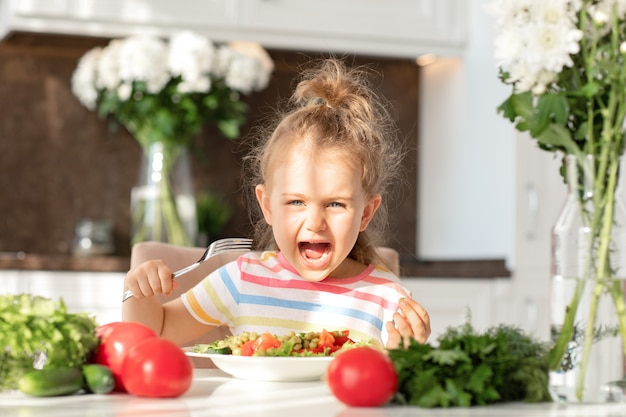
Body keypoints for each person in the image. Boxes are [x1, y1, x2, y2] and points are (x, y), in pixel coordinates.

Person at [122, 58, 431, 350]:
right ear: (267, 205)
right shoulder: (242, 279)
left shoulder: (387, 298)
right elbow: (154, 333)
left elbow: (398, 386)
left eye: (335, 204)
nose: (315, 222)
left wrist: (407, 353)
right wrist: (139, 292)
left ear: (365, 214)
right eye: (296, 201)